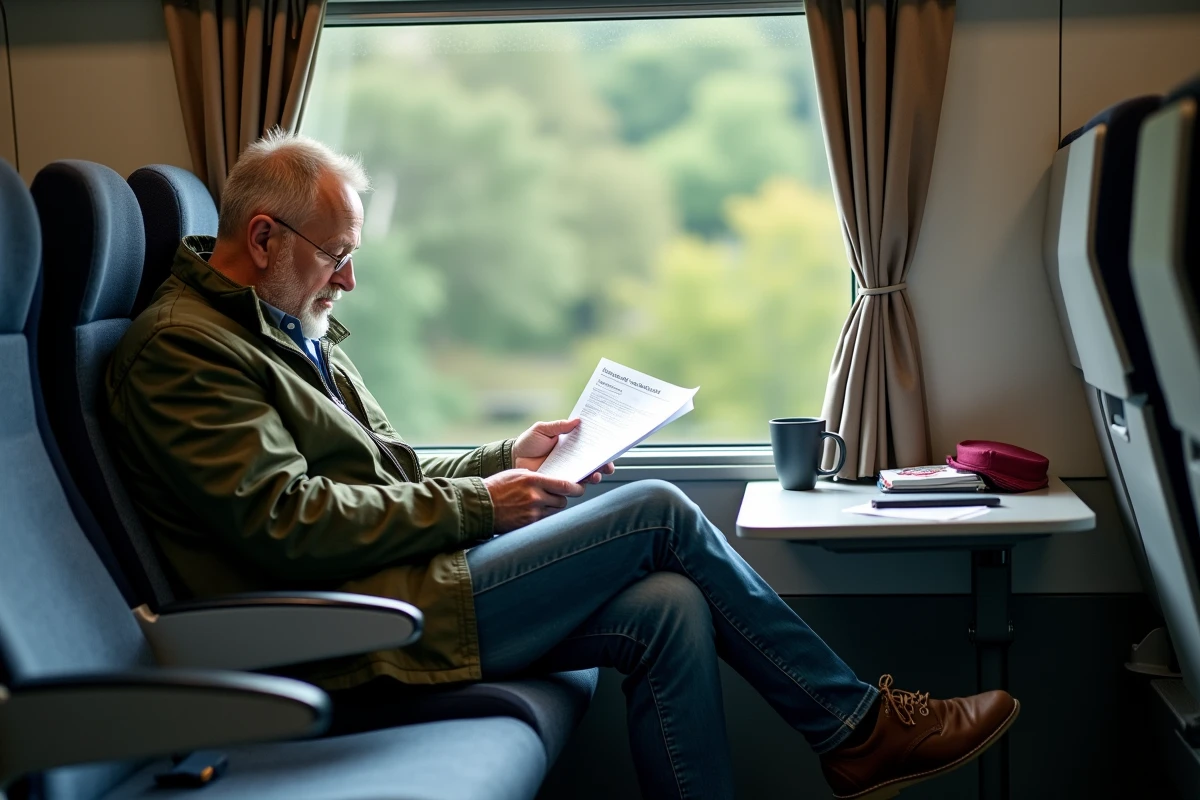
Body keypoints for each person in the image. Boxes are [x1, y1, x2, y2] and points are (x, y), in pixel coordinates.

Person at [106, 130, 1019, 800]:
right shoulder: (184, 352)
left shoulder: (291, 329)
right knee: (658, 510)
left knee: (668, 607)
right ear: (263, 239)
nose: (347, 282)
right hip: (343, 626)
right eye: (336, 257)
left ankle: (850, 736)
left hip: (400, 580)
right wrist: (484, 506)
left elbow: (384, 480)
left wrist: (512, 458)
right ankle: (857, 728)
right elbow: (286, 524)